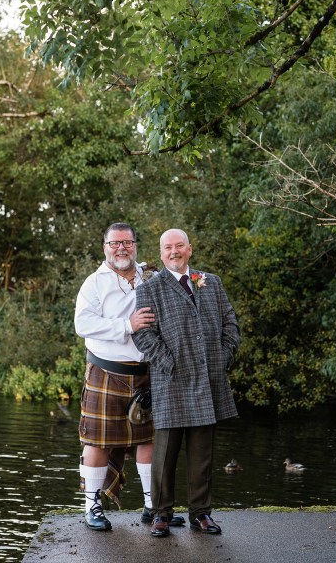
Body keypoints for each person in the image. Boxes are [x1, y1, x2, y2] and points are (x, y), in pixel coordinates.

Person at [74, 222, 185, 531]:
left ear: (136, 245)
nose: (121, 248)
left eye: (127, 242)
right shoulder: (94, 283)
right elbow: (82, 324)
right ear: (105, 247)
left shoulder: (150, 275)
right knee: (96, 443)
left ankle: (153, 507)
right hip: (107, 372)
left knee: (149, 440)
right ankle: (92, 507)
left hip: (149, 374)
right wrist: (128, 324)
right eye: (114, 243)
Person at [133, 228, 240, 537]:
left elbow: (230, 324)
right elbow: (143, 334)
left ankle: (201, 513)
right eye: (168, 247)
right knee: (164, 454)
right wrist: (169, 364)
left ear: (190, 249)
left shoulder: (211, 282)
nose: (174, 251)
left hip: (209, 379)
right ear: (161, 252)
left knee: (202, 453)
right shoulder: (150, 289)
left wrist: (221, 358)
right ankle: (161, 514)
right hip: (171, 380)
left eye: (179, 246)